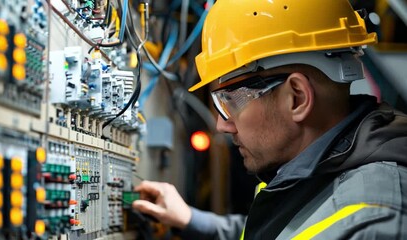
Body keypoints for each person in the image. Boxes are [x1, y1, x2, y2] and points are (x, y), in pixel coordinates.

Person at [133, 0, 407, 239]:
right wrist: (192, 221)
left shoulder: (372, 223)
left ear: (297, 98)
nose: (222, 124)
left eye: (231, 100)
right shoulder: (321, 176)